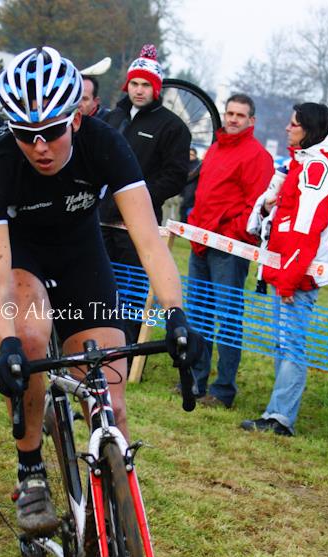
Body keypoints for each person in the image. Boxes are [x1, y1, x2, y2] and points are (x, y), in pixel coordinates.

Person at [0, 47, 202, 536]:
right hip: (20, 258)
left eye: (51, 132)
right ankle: (31, 469)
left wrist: (176, 313)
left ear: (75, 118)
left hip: (80, 255)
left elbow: (148, 240)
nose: (40, 148)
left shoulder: (106, 144)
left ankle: (115, 520)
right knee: (31, 339)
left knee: (111, 401)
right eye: (26, 136)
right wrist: (7, 344)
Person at [240, 103, 328, 437]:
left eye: (294, 124)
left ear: (308, 130)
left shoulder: (317, 170)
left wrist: (288, 281)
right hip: (289, 271)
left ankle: (280, 419)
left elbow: (305, 231)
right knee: (283, 344)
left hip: (298, 276)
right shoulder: (301, 164)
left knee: (291, 346)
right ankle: (276, 413)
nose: (287, 128)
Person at [99, 43, 191, 346]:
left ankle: (127, 349)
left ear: (156, 88)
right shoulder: (112, 118)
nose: (139, 90)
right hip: (101, 218)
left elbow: (176, 176)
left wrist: (141, 198)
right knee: (98, 284)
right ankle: (97, 341)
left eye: (145, 85)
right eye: (134, 84)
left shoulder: (172, 127)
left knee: (132, 289)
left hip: (138, 225)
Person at [186, 94, 274, 409]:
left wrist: (229, 233)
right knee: (197, 314)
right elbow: (204, 194)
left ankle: (223, 389)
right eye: (230, 113)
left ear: (251, 121)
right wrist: (195, 224)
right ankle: (196, 381)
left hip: (229, 248)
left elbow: (256, 207)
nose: (233, 119)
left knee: (228, 318)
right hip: (200, 241)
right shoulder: (215, 148)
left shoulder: (257, 156)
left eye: (240, 115)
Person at [179, 147, 199, 223]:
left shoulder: (196, 167)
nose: (190, 156)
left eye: (192, 154)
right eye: (189, 154)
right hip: (183, 197)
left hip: (191, 199)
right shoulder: (184, 164)